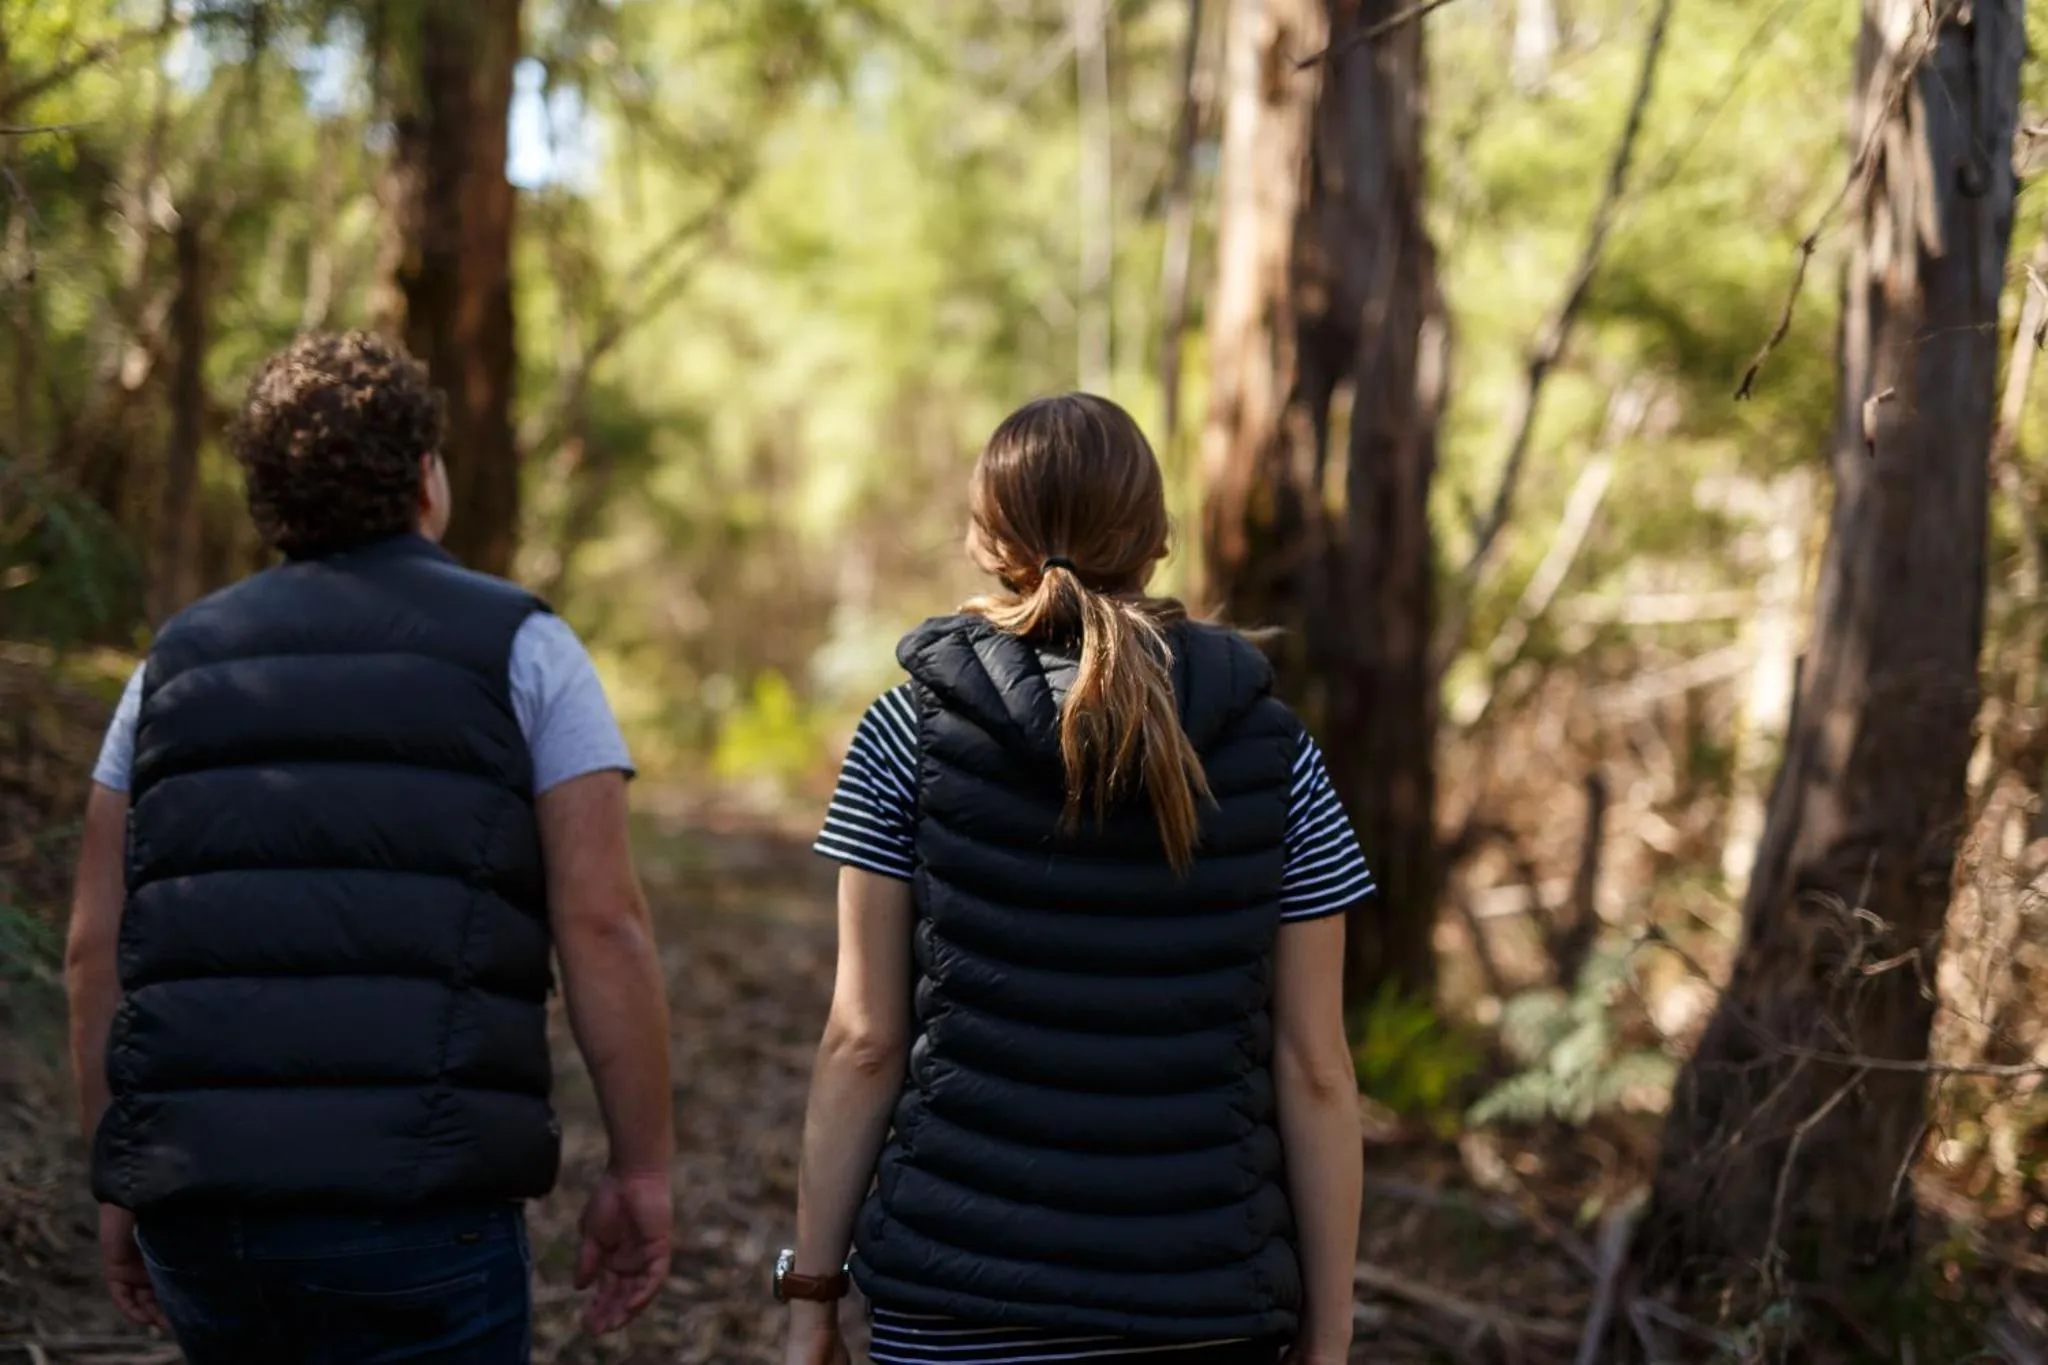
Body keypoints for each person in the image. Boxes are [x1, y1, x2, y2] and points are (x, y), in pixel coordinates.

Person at [64, 332, 676, 1362]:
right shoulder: (524, 647)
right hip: (421, 1215)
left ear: (266, 497)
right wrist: (642, 1171)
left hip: (204, 1214)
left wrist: (117, 1172)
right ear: (426, 479)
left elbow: (93, 946)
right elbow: (603, 923)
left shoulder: (168, 667)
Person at [781, 394, 1370, 1365]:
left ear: (983, 541)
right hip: (1202, 1307)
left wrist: (811, 1296)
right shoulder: (1274, 751)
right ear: (1157, 540)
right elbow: (1313, 1067)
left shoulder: (905, 734)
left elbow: (861, 1042)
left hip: (953, 1304)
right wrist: (1330, 1336)